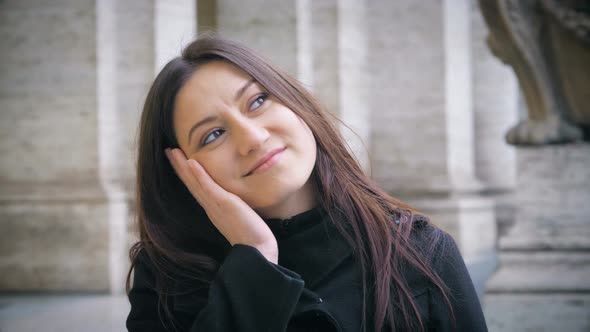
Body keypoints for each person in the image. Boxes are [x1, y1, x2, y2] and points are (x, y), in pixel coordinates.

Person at [125, 35, 488, 332]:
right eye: (213, 134)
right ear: (183, 170)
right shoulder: (166, 280)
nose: (252, 137)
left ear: (296, 103)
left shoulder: (421, 253)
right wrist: (254, 258)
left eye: (258, 100)